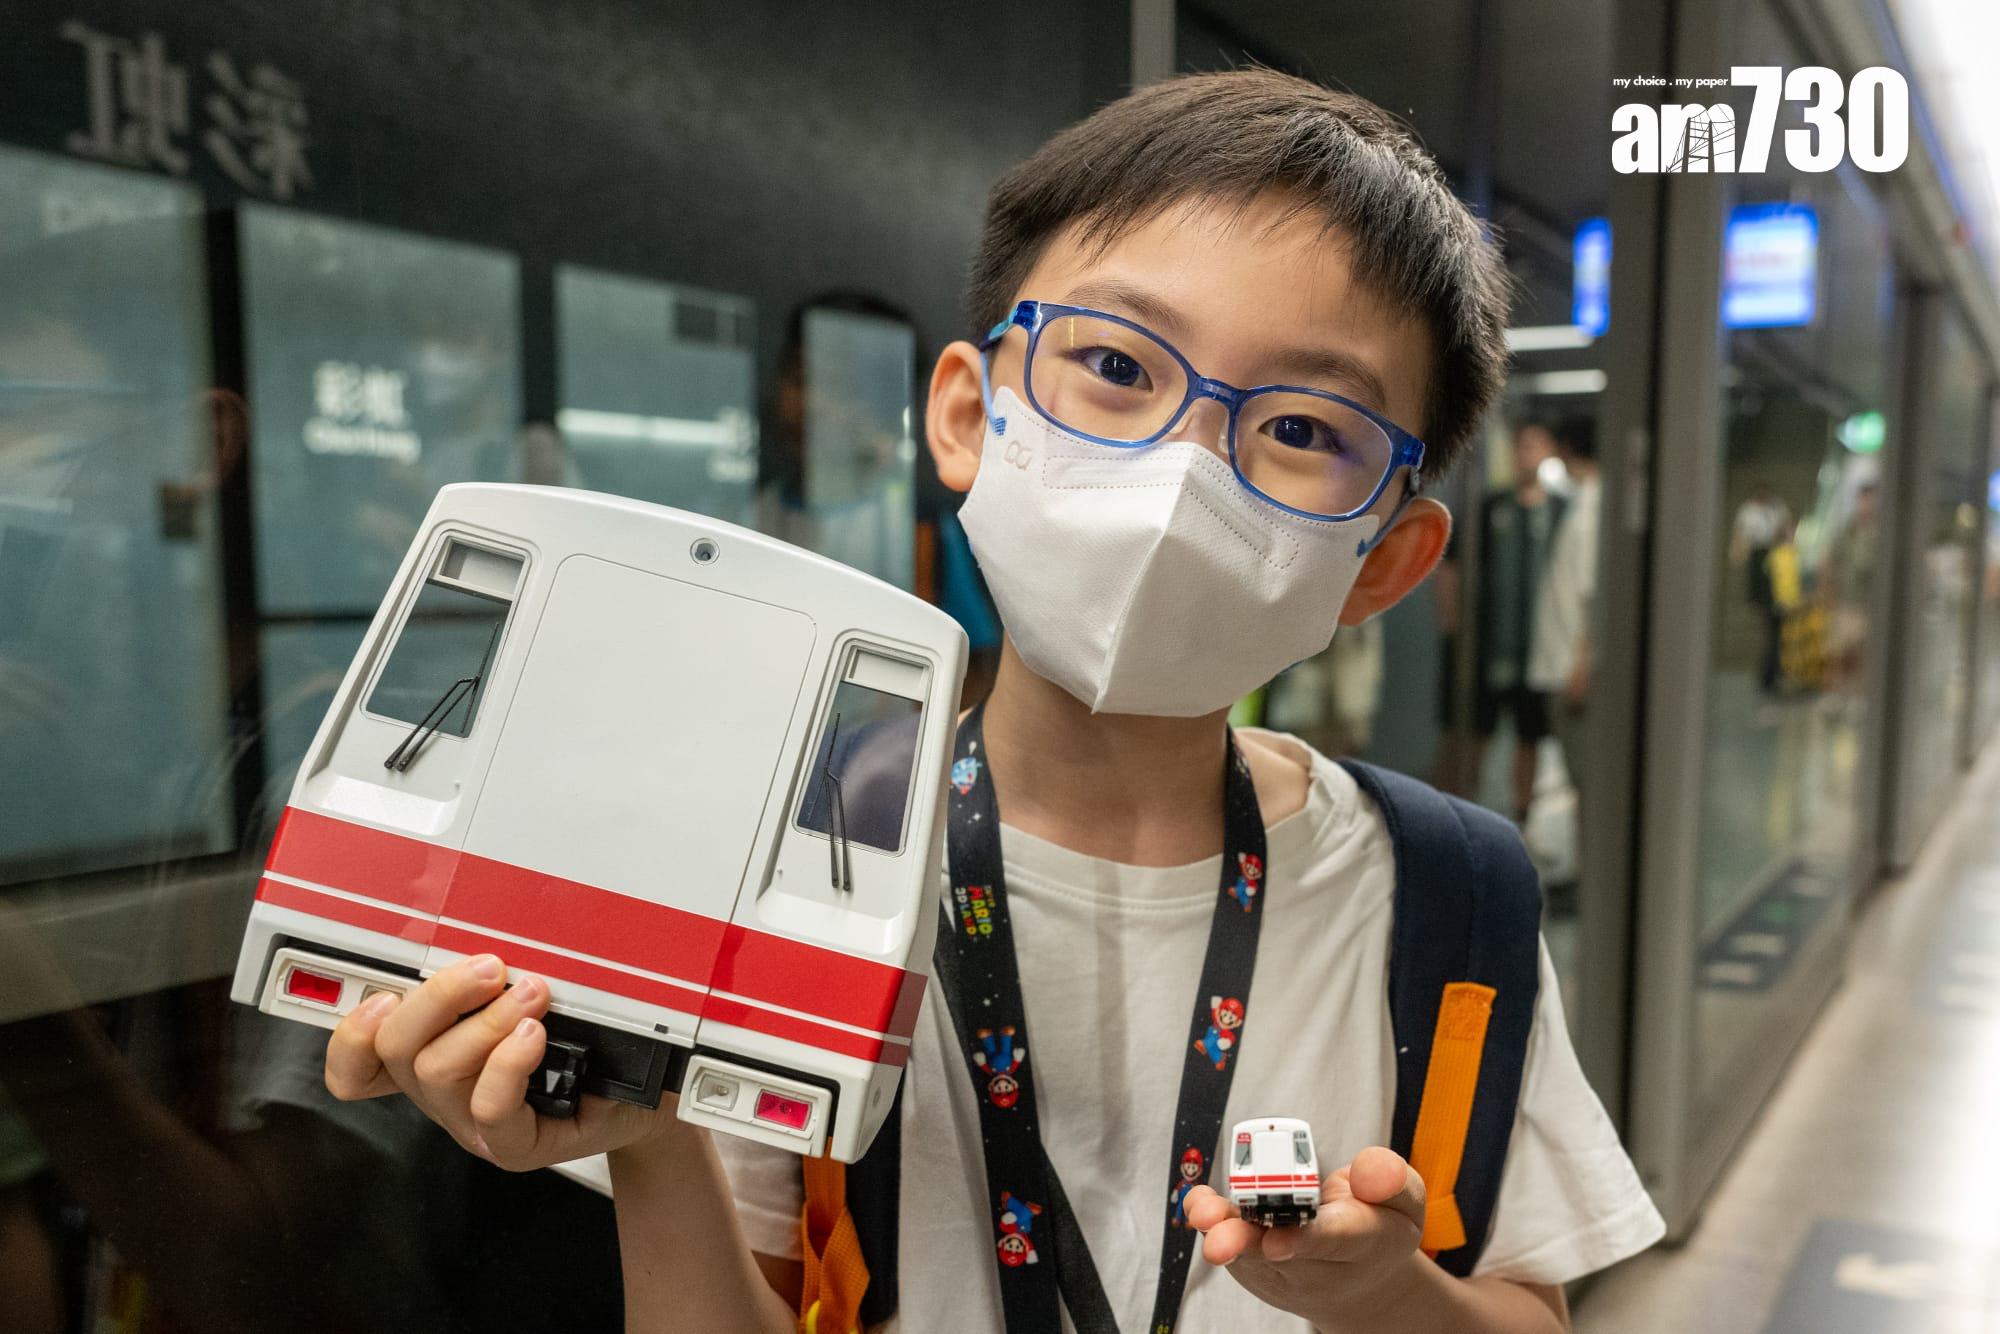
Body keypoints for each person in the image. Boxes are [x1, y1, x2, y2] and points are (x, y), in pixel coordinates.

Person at [319, 70, 1663, 1332]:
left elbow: (1529, 1303)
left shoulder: (1449, 895)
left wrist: (1384, 1295)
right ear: (965, 417)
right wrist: (652, 1131)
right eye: (1121, 368)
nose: (1183, 474)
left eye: (1306, 428)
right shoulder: (779, 863)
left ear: (1386, 560)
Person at [1473, 422, 1568, 821]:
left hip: (1539, 648)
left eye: (1535, 446)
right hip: (1491, 644)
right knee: (1478, 733)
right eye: (1521, 446)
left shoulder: (1562, 511)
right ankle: (1464, 810)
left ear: (1548, 451)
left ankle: (1521, 817)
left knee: (1529, 738)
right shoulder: (1492, 507)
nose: (1526, 454)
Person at [1528, 418, 1602, 800]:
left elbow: (1593, 598)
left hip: (1572, 668)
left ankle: (1593, 860)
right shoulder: (1583, 505)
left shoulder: (1591, 511)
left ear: (1568, 449)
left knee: (1584, 778)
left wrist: (1581, 667)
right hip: (1567, 663)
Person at [1729, 483, 1794, 696]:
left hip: (1775, 559)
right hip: (1759, 558)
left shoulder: (1778, 508)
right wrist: (1738, 551)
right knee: (1770, 623)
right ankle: (1771, 671)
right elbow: (1741, 538)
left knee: (1776, 625)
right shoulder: (1748, 511)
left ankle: (1774, 670)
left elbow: (1787, 529)